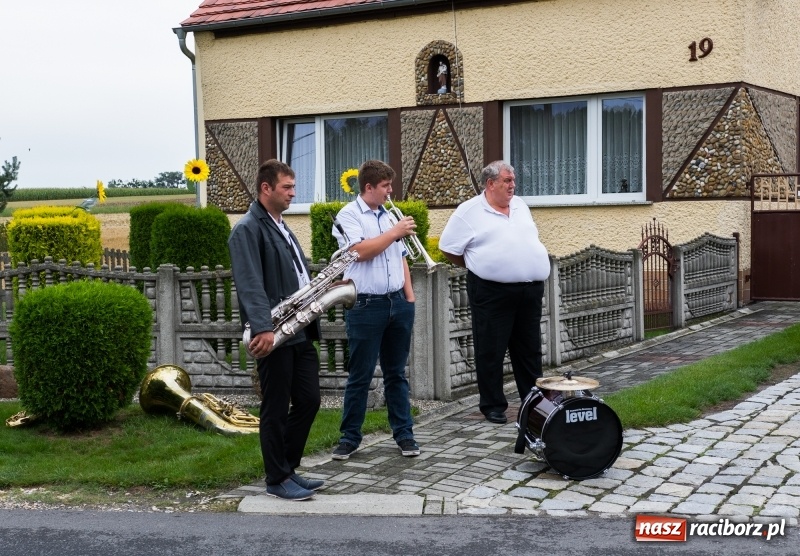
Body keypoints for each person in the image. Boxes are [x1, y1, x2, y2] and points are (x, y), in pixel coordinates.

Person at [228, 159, 323, 501]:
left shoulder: (281, 224)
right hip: (274, 331)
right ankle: (276, 478)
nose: (293, 193)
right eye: (287, 187)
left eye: (293, 187)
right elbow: (250, 283)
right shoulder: (247, 229)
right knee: (276, 407)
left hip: (298, 328)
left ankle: (288, 468)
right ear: (266, 188)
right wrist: (262, 328)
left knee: (310, 400)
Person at [438, 161, 550, 425]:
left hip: (529, 289)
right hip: (492, 290)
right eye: (507, 181)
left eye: (513, 180)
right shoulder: (469, 211)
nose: (513, 185)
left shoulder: (520, 205)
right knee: (491, 348)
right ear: (491, 184)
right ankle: (493, 405)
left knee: (529, 349)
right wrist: (476, 264)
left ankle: (534, 401)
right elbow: (447, 247)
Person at [330, 159, 420, 460]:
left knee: (397, 374)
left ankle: (405, 435)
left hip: (398, 302)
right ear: (368, 187)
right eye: (385, 186)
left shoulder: (388, 216)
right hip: (366, 304)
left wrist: (409, 297)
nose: (390, 191)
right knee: (361, 374)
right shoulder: (348, 216)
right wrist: (394, 232)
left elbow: (402, 257)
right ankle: (349, 438)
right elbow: (359, 252)